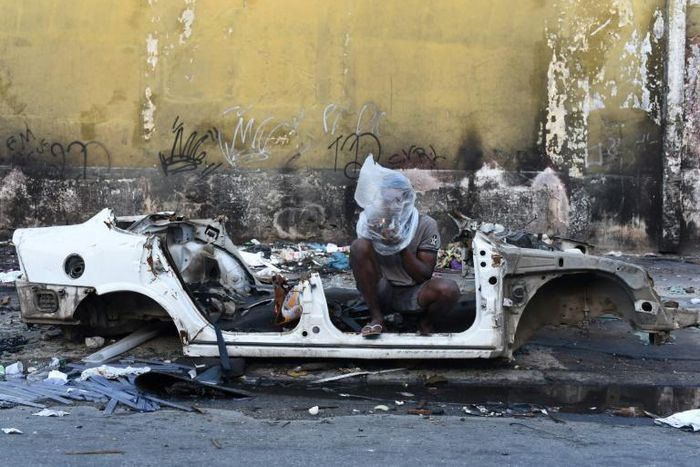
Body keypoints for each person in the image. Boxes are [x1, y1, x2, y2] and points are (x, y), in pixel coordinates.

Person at [350, 156, 460, 337]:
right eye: (386, 201)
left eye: (398, 201)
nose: (392, 207)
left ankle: (425, 324)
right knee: (358, 246)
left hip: (414, 292)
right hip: (381, 289)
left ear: (408, 201)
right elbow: (360, 260)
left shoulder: (426, 224)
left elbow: (424, 274)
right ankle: (377, 318)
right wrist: (372, 235)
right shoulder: (372, 222)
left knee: (449, 289)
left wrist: (400, 247)